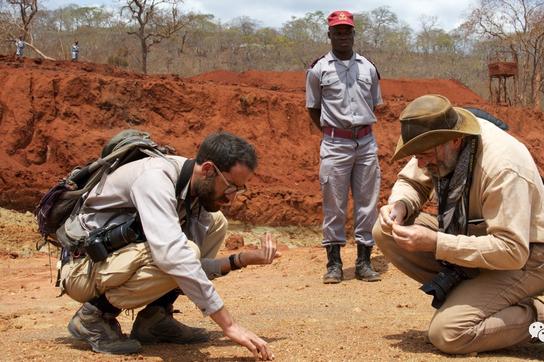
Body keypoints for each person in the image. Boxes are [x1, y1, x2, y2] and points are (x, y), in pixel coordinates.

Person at [373, 94, 544, 359]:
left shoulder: (502, 167)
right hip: (478, 240)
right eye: (417, 156)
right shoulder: (439, 141)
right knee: (384, 230)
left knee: (449, 333)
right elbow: (413, 181)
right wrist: (400, 206)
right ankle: (478, 298)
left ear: (455, 140)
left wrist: (436, 243)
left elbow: (512, 250)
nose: (421, 163)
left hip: (531, 255)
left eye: (424, 156)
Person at [59, 131, 278, 360]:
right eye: (230, 187)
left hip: (117, 261)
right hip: (82, 268)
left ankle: (155, 318)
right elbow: (175, 257)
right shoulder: (155, 178)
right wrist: (229, 325)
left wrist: (241, 260)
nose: (231, 198)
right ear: (208, 170)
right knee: (183, 252)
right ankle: (94, 316)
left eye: (239, 190)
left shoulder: (198, 194)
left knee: (216, 224)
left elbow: (192, 268)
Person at [305, 10, 383, 284]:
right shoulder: (318, 70)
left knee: (367, 203)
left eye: (347, 30)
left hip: (365, 142)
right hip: (335, 143)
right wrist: (333, 133)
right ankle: (334, 264)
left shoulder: (368, 68)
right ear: (329, 35)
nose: (342, 36)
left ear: (353, 33)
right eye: (337, 31)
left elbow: (373, 103)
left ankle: (364, 262)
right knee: (333, 204)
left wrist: (355, 132)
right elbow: (313, 108)